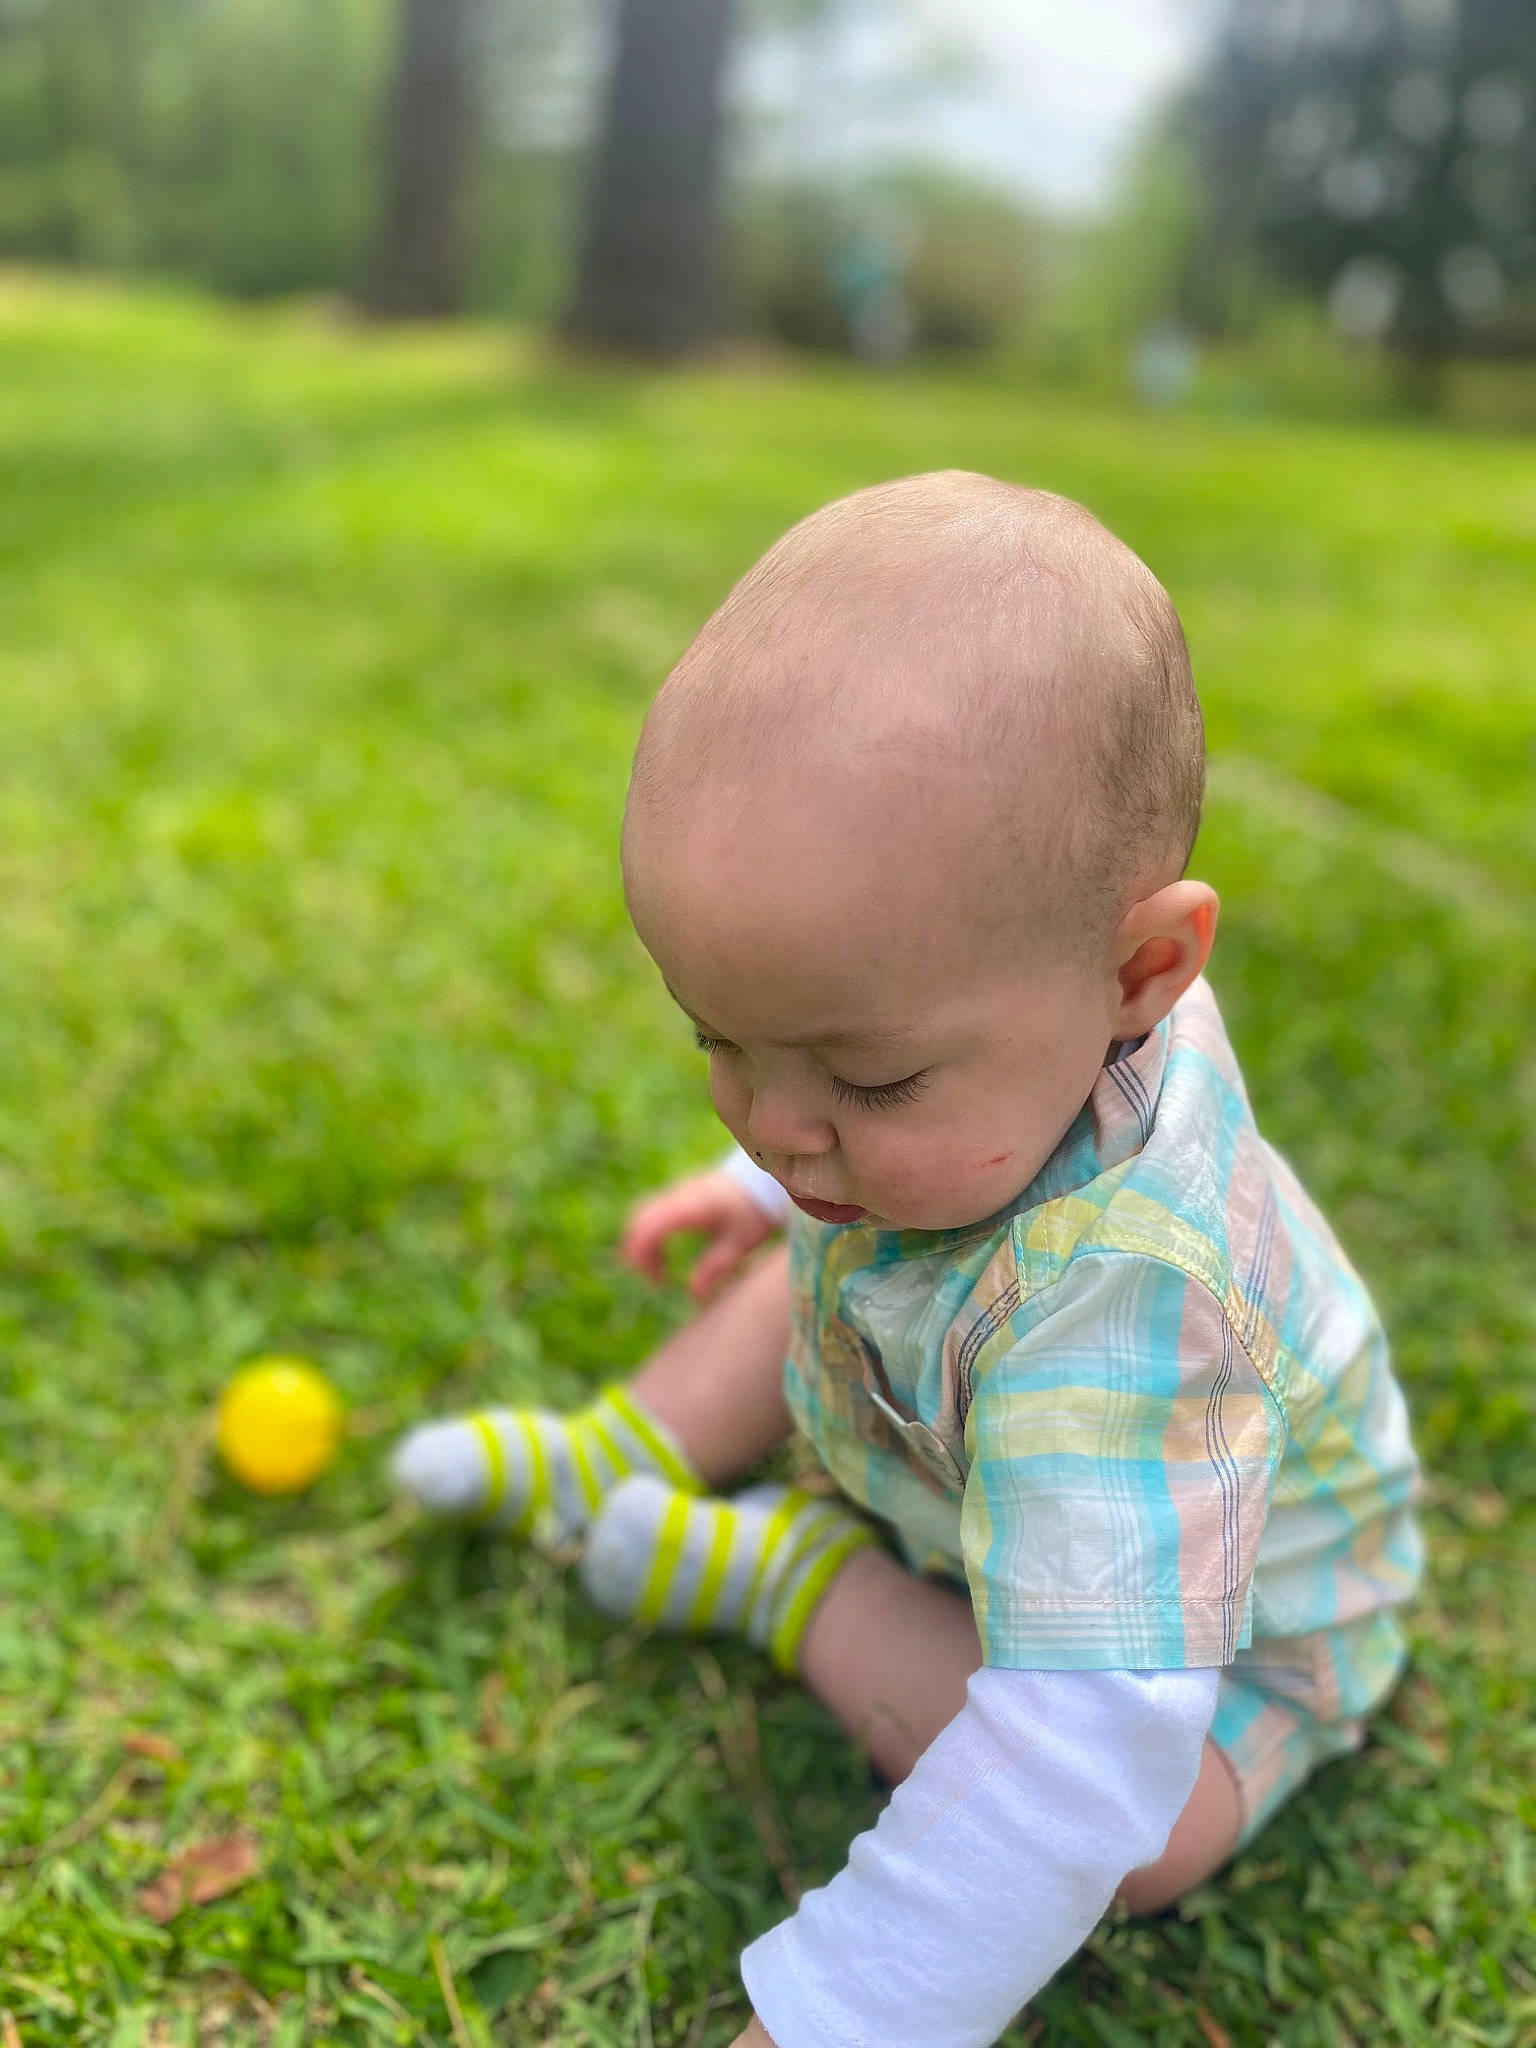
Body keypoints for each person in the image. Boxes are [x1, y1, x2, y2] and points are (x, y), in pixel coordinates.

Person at [393, 473, 1423, 2048]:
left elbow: (1077, 1762)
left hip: (1214, 1642)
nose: (783, 1127)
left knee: (1145, 1843)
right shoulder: (1003, 1040)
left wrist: (831, 2013)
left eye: (867, 1079)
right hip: (966, 1451)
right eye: (724, 1042)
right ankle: (619, 1450)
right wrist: (772, 1170)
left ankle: (787, 1579)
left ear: (1143, 973)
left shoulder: (1134, 1311)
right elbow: (832, 1099)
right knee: (832, 1238)